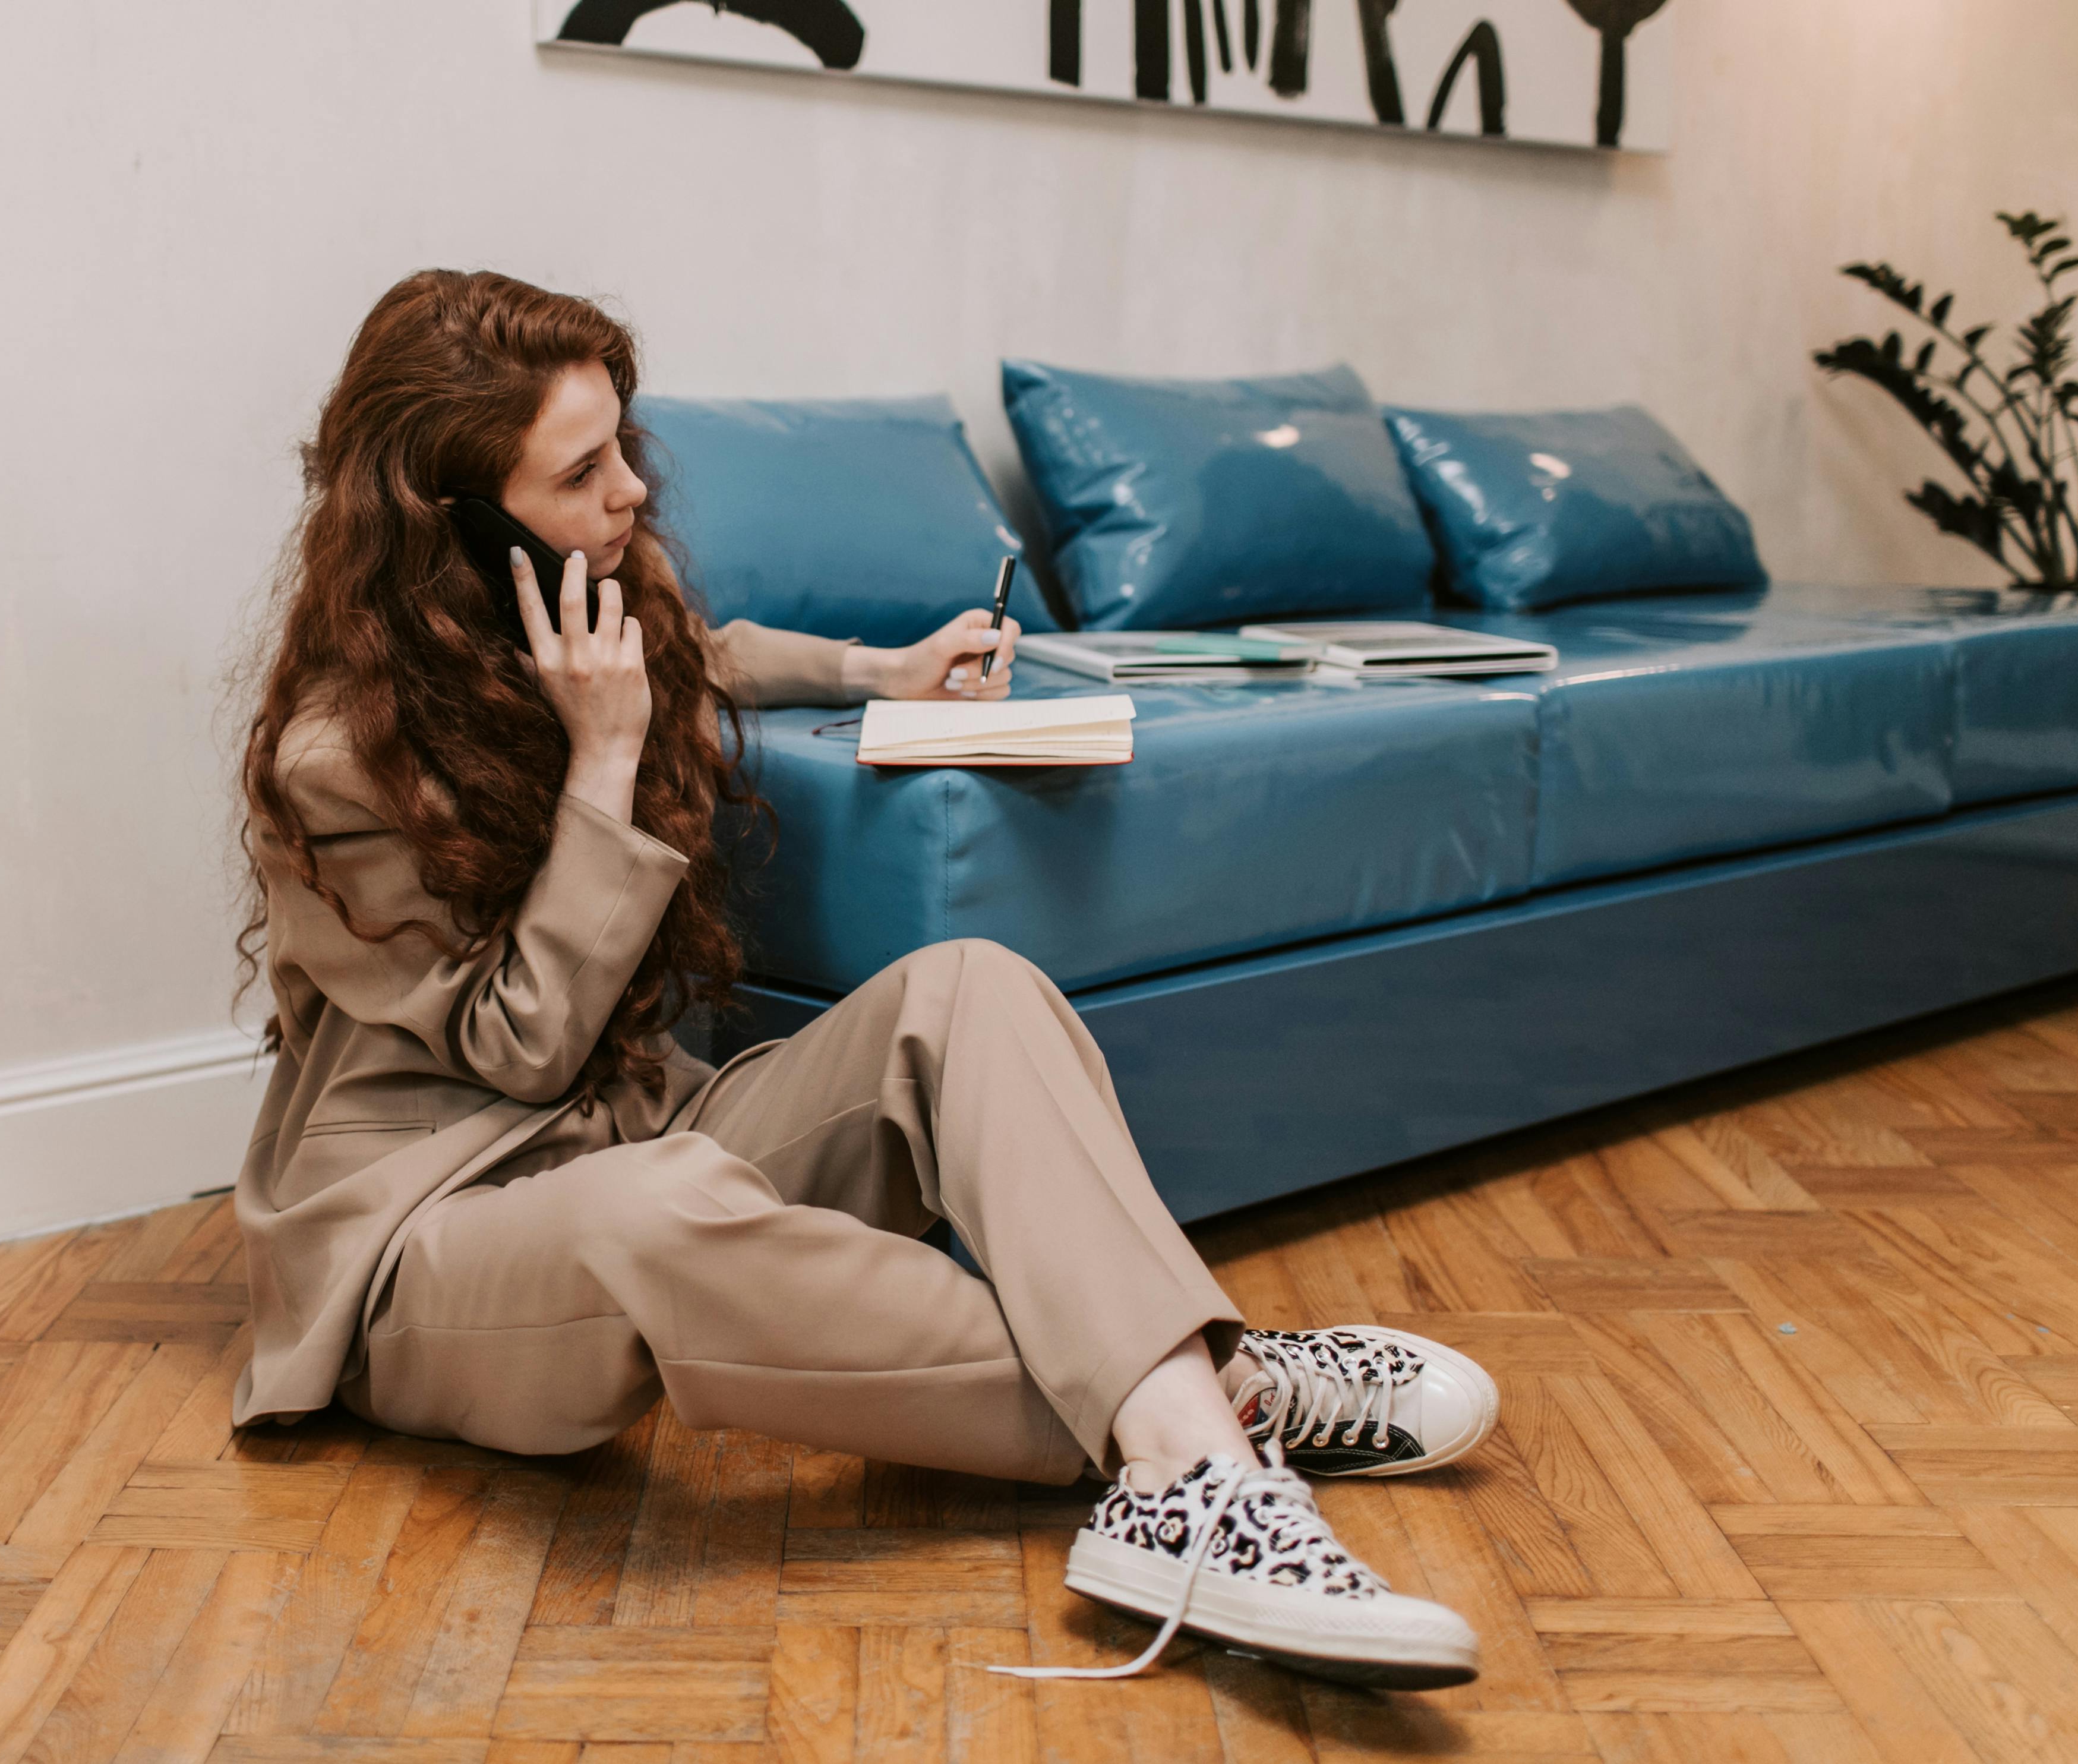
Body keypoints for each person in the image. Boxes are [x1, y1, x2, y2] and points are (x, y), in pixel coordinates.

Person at [228, 269, 1497, 1687]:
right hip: (425, 1237)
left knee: (967, 987)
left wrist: (879, 667)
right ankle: (1214, 1397)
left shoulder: (575, 623)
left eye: (624, 445)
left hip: (633, 1127)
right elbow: (519, 1051)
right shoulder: (333, 759)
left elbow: (706, 655)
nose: (633, 490)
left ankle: (1189, 1474)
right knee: (661, 1206)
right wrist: (599, 764)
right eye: (583, 471)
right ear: (457, 526)